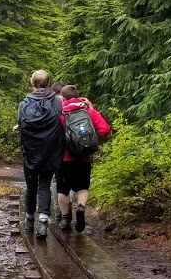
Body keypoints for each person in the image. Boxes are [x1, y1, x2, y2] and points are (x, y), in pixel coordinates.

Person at [57, 85, 110, 233]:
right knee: (82, 187)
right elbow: (104, 128)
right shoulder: (87, 111)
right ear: (78, 96)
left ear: (63, 98)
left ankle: (66, 218)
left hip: (65, 158)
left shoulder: (60, 113)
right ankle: (80, 207)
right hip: (84, 157)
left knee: (63, 190)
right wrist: (96, 141)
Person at [17, 70, 64, 239]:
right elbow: (62, 122)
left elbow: (21, 125)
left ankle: (29, 219)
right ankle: (43, 220)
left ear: (32, 83)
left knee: (31, 186)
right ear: (48, 82)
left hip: (30, 151)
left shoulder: (25, 103)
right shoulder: (57, 101)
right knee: (45, 184)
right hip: (51, 151)